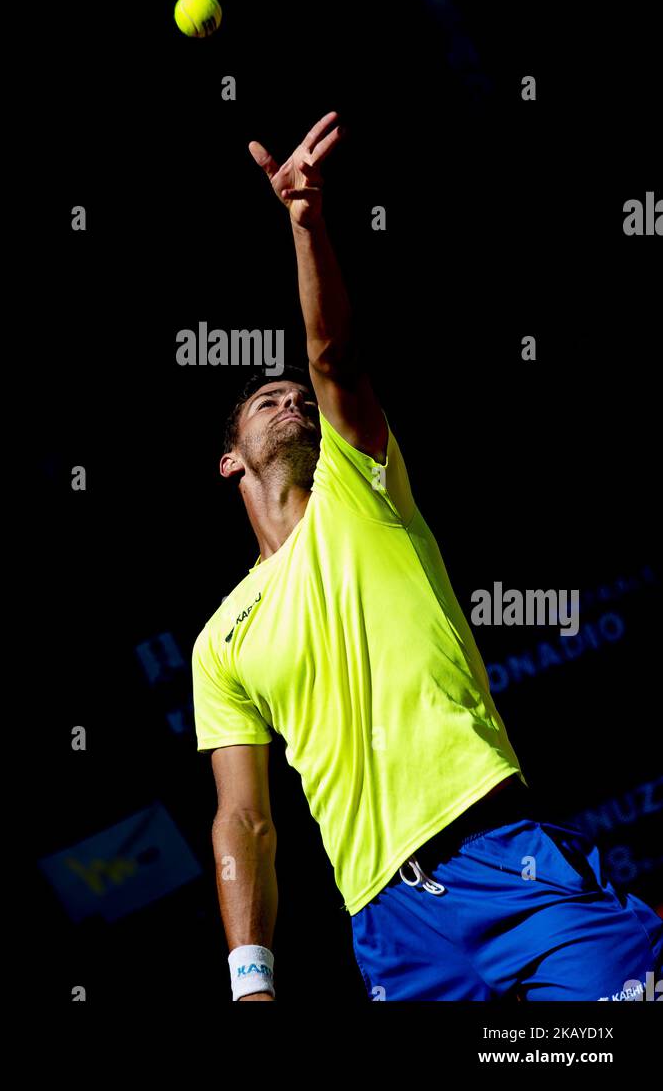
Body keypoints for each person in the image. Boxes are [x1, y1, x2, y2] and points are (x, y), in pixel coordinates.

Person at [191, 111, 663, 1002]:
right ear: (230, 460)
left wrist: (305, 221)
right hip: (391, 929)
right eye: (267, 399)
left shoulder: (361, 487)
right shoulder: (220, 644)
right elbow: (244, 818)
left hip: (505, 855)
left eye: (300, 396)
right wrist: (250, 982)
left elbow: (332, 355)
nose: (291, 401)